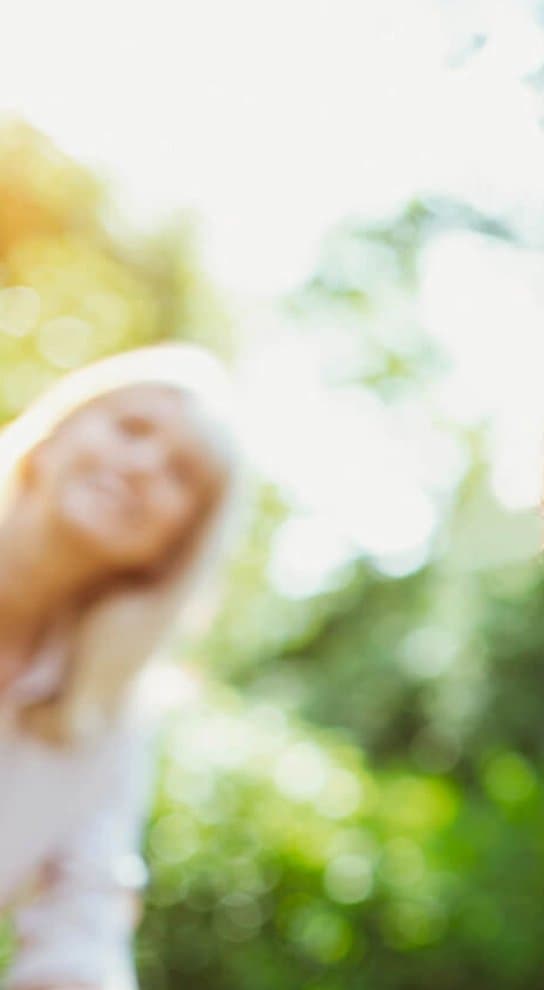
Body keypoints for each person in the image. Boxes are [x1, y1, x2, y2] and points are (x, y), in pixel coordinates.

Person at [0, 346, 240, 990]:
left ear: (172, 549)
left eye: (181, 474)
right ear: (54, 436)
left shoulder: (107, 722)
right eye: (130, 428)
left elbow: (82, 936)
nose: (140, 467)